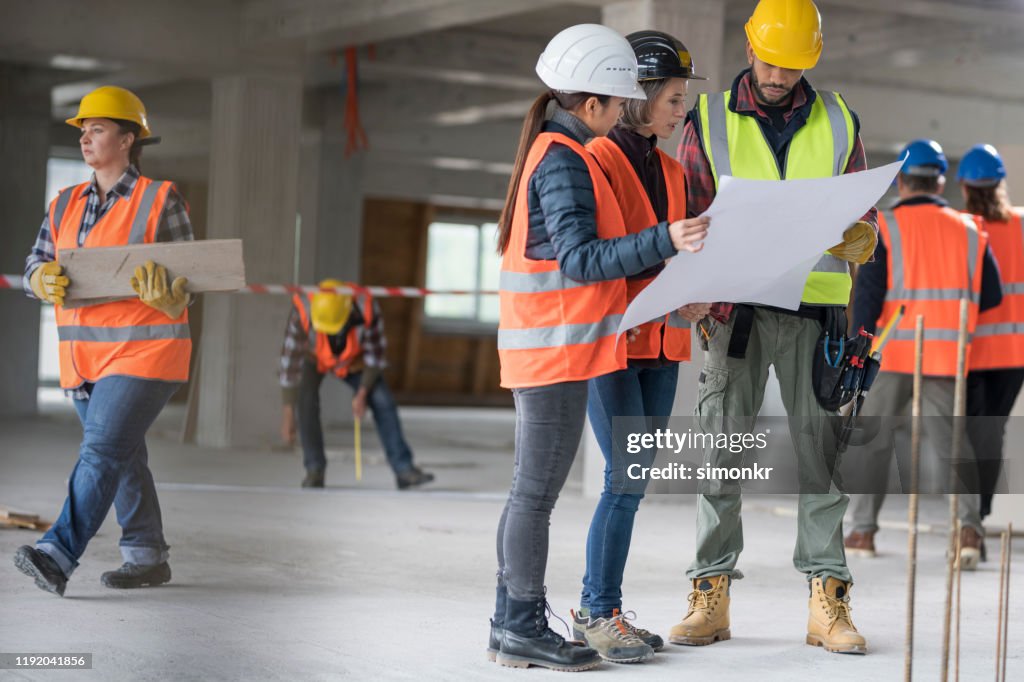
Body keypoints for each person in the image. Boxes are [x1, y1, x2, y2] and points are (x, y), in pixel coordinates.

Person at [489, 23, 710, 672]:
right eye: (619, 104)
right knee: (536, 496)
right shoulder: (568, 159)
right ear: (598, 104)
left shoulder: (564, 153)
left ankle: (514, 624)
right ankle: (530, 622)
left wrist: (675, 287)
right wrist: (670, 240)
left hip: (577, 346)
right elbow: (585, 259)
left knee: (538, 493)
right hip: (562, 350)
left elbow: (593, 260)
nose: (619, 117)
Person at [672, 0, 878, 655]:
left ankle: (828, 599)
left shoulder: (839, 119)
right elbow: (683, 212)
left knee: (819, 458)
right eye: (768, 59)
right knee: (720, 450)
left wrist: (864, 238)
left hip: (816, 311)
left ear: (808, 61)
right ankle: (710, 594)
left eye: (792, 64)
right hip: (734, 312)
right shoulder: (706, 119)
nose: (777, 73)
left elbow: (863, 211)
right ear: (749, 45)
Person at [14, 86, 193, 596]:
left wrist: (173, 297)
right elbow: (34, 262)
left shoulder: (161, 199)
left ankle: (57, 552)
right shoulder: (64, 203)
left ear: (128, 138)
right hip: (83, 357)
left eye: (96, 129)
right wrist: (37, 280)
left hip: (145, 350)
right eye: (83, 130)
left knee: (100, 451)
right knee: (122, 453)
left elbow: (190, 283)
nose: (86, 138)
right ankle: (146, 554)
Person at [571, 29, 710, 664]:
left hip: (664, 341)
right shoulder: (596, 160)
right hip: (614, 340)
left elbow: (679, 255)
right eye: (674, 98)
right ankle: (597, 611)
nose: (682, 110)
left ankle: (608, 610)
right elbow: (597, 255)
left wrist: (696, 294)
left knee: (635, 479)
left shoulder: (678, 170)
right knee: (624, 478)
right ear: (640, 95)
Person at [845, 139, 1003, 570]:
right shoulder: (971, 231)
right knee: (953, 444)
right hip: (946, 355)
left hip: (891, 353)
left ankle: (862, 531)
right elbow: (990, 295)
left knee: (874, 441)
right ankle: (968, 531)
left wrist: (858, 350)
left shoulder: (888, 228)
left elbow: (868, 299)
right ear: (939, 179)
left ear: (903, 180)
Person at [279, 279, 433, 490]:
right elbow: (290, 363)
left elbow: (375, 357)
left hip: (355, 360)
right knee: (304, 401)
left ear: (348, 312)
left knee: (382, 400)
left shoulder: (367, 308)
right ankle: (314, 470)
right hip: (314, 358)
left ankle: (404, 469)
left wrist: (362, 393)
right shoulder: (302, 311)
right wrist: (288, 414)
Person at [959, 144, 1024, 529]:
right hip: (1015, 352)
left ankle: (969, 520)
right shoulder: (1022, 223)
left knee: (966, 435)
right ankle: (979, 515)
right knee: (992, 431)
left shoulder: (962, 228)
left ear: (964, 187)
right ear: (1000, 183)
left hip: (970, 350)